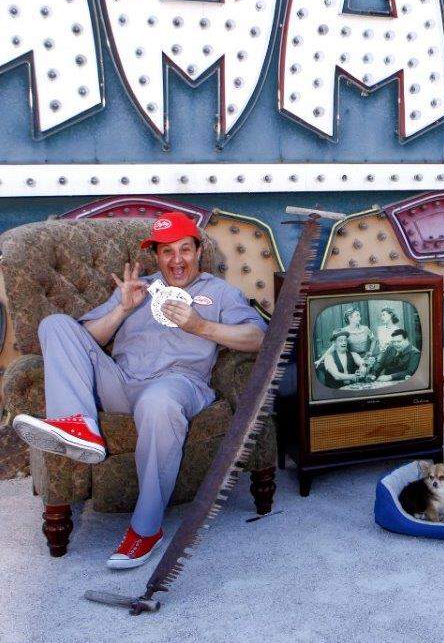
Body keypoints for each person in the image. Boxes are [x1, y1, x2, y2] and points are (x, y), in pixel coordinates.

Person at [12, 211, 267, 568]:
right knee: (55, 325)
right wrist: (121, 310)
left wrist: (201, 327)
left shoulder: (220, 292)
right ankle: (78, 426)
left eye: (184, 249)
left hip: (178, 384)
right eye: (167, 251)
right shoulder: (138, 288)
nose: (177, 260)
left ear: (198, 251)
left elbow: (258, 338)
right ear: (156, 256)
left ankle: (145, 529)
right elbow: (80, 340)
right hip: (121, 380)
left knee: (158, 403)